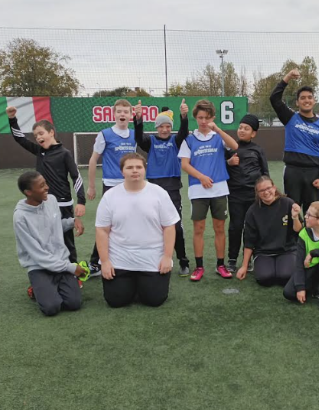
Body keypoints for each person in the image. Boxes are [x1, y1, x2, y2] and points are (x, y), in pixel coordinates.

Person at [96, 153, 179, 308]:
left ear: (144, 170)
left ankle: (141, 284)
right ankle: (131, 285)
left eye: (139, 167)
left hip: (151, 258)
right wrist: (105, 262)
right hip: (120, 258)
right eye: (130, 167)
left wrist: (167, 257)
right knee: (116, 301)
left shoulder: (159, 193)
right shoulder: (110, 196)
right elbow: (102, 231)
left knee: (154, 300)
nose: (135, 170)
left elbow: (169, 227)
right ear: (122, 171)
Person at [6, 107, 86, 264]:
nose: (38, 138)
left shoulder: (65, 153)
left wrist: (81, 201)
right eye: (35, 136)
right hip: (43, 204)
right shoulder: (38, 151)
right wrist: (12, 119)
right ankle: (50, 271)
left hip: (63, 204)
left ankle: (72, 274)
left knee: (66, 241)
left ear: (51, 133)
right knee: (45, 238)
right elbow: (19, 138)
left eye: (41, 133)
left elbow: (76, 177)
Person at [178, 99, 239, 281]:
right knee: (199, 229)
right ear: (195, 118)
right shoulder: (189, 140)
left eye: (207, 117)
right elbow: (184, 165)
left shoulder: (218, 137)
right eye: (200, 117)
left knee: (220, 228)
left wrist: (218, 130)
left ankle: (221, 265)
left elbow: (235, 147)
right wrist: (201, 177)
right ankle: (199, 267)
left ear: (212, 117)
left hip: (220, 190)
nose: (203, 121)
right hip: (198, 191)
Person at [13, 171, 86, 316]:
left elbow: (55, 225)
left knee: (74, 303)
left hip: (60, 259)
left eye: (45, 183)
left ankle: (48, 287)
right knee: (51, 308)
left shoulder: (51, 200)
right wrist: (70, 267)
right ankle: (37, 288)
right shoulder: (20, 217)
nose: (47, 187)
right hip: (39, 266)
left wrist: (71, 222)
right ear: (28, 192)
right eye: (41, 186)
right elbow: (37, 254)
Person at [134, 99, 191, 276]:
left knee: (176, 227)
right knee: (152, 227)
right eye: (161, 126)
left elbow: (183, 131)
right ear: (157, 127)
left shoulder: (176, 140)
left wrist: (184, 116)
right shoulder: (150, 142)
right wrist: (138, 119)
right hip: (153, 188)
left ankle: (183, 261)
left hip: (172, 189)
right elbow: (138, 137)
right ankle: (154, 260)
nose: (165, 129)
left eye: (167, 126)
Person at [269, 68, 319, 214]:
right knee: (292, 210)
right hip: (293, 172)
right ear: (297, 102)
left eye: (309, 97)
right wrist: (288, 77)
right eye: (303, 98)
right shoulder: (290, 117)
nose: (306, 100)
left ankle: (309, 237)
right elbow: (274, 98)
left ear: (314, 101)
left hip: (313, 173)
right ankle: (293, 237)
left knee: (312, 212)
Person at [87, 99, 137, 272]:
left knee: (129, 223)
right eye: (119, 111)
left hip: (131, 186)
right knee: (107, 225)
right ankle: (96, 262)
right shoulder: (105, 134)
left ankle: (124, 258)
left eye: (126, 112)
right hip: (111, 186)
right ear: (114, 114)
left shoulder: (134, 135)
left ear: (131, 115)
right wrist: (91, 186)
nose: (122, 114)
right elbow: (93, 160)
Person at [235, 176, 301, 286]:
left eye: (268, 188)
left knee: (285, 276)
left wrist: (295, 217)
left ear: (274, 188)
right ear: (257, 193)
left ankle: (284, 267)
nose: (266, 192)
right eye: (262, 190)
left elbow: (298, 230)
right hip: (263, 253)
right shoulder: (252, 211)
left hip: (286, 250)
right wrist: (244, 266)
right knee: (264, 279)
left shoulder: (288, 203)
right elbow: (249, 241)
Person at [225, 114, 269, 273]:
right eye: (240, 127)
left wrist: (266, 192)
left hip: (254, 196)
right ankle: (231, 259)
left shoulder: (258, 150)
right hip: (235, 195)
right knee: (235, 227)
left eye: (246, 128)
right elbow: (220, 169)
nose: (242, 131)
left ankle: (251, 258)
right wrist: (228, 163)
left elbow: (265, 173)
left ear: (254, 133)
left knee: (252, 228)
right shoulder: (230, 148)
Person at [283, 201, 319, 310]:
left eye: (309, 215)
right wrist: (300, 288)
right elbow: (299, 263)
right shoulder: (304, 233)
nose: (305, 216)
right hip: (310, 269)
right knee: (289, 293)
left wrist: (312, 253)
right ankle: (316, 288)